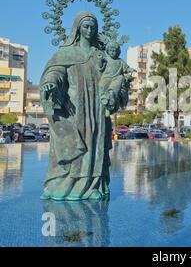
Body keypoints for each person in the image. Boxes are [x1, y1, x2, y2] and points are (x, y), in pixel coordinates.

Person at [40, 11, 127, 201]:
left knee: (96, 145)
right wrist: (51, 83)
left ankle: (94, 185)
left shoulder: (100, 55)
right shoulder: (65, 53)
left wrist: (116, 88)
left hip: (97, 109)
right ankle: (66, 185)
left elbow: (113, 75)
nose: (89, 30)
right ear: (78, 29)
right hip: (75, 108)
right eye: (86, 26)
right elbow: (55, 72)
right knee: (76, 144)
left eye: (93, 27)